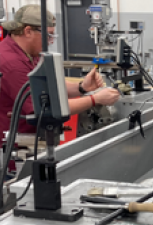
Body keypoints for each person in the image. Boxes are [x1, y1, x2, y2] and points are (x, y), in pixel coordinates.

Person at [0, 4, 120, 136]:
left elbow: (50, 84)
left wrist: (81, 87)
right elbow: (47, 109)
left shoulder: (28, 53)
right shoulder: (11, 63)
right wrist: (94, 99)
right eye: (48, 35)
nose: (50, 41)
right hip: (14, 145)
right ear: (28, 31)